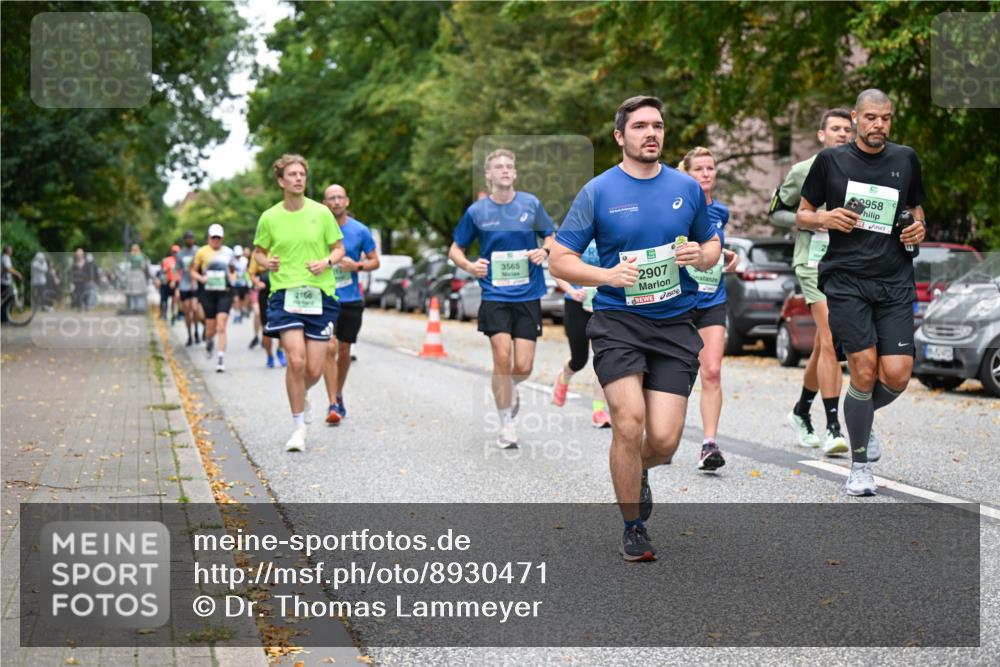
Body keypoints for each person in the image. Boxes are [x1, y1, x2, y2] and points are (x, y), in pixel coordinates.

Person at [550, 95, 720, 561]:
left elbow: (712, 243)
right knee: (628, 423)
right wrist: (605, 276)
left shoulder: (686, 186)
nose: (652, 133)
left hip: (673, 323)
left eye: (658, 125)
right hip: (617, 322)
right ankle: (633, 525)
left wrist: (701, 256)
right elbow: (560, 259)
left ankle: (636, 470)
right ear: (619, 136)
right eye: (641, 125)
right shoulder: (598, 192)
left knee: (662, 442)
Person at [797, 89, 927, 496]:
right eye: (871, 117)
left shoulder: (905, 159)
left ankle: (861, 418)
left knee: (898, 374)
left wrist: (919, 227)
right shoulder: (831, 161)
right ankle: (859, 466)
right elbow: (802, 212)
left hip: (893, 278)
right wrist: (825, 217)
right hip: (847, 279)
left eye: (886, 118)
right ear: (855, 117)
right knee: (865, 368)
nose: (878, 126)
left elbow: (917, 210)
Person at [448, 148, 556, 449]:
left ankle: (509, 389)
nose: (506, 170)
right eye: (500, 167)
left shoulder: (530, 204)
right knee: (503, 358)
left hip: (528, 294)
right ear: (489, 175)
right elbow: (455, 249)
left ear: (515, 173)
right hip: (494, 294)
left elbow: (551, 235)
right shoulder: (477, 212)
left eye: (510, 166)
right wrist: (470, 266)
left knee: (522, 367)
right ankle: (506, 423)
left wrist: (543, 251)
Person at [771, 108, 852, 456]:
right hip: (812, 261)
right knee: (832, 338)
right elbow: (776, 212)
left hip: (848, 264)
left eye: (847, 129)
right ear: (822, 135)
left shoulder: (860, 170)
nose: (842, 134)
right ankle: (834, 426)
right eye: (835, 128)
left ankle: (801, 411)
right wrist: (813, 219)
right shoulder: (803, 171)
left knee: (823, 344)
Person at [252, 154, 344, 453]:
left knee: (314, 369)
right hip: (285, 294)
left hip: (319, 295)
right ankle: (298, 428)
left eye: (301, 174)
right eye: (291, 174)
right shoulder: (269, 217)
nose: (298, 178)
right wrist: (268, 262)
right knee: (296, 360)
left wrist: (326, 261)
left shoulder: (321, 213)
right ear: (281, 181)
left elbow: (339, 249)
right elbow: (258, 253)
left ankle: (301, 392)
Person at [678, 147, 740, 471]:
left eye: (710, 168)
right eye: (698, 168)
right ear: (686, 173)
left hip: (712, 299)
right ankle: (661, 431)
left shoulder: (721, 212)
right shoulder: (675, 208)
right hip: (680, 301)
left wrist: (724, 253)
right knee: (677, 375)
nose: (706, 173)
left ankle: (709, 444)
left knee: (712, 371)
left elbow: (709, 242)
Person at [321, 184, 380, 424]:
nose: (335, 202)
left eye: (339, 197)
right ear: (325, 204)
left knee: (344, 351)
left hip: (351, 299)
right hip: (325, 298)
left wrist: (357, 266)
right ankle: (332, 402)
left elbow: (375, 261)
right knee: (329, 347)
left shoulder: (360, 231)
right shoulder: (317, 230)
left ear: (347, 201)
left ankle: (338, 392)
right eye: (331, 198)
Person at [550, 240, 612, 428]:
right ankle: (565, 376)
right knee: (580, 359)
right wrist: (572, 291)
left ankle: (598, 411)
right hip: (576, 304)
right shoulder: (574, 235)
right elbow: (556, 270)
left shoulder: (610, 229)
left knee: (603, 359)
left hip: (603, 304)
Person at [190, 224, 239, 373]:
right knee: (210, 328)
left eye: (218, 237)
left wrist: (232, 278)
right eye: (213, 237)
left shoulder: (228, 253)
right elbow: (192, 271)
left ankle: (220, 358)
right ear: (208, 238)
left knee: (221, 325)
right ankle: (209, 341)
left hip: (224, 291)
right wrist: (201, 278)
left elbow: (234, 270)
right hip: (208, 292)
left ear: (222, 238)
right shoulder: (202, 252)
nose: (216, 240)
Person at [249, 255, 286, 368]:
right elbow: (252, 274)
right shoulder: (259, 252)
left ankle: (280, 350)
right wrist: (257, 283)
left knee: (285, 324)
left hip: (283, 288)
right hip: (265, 292)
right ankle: (269, 355)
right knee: (266, 326)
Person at [176, 231, 204, 346]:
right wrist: (176, 285)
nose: (189, 240)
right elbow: (178, 270)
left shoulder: (198, 251)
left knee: (195, 309)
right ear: (184, 240)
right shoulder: (180, 254)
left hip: (196, 285)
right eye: (187, 238)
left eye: (191, 238)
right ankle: (190, 335)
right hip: (184, 285)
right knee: (187, 311)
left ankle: (197, 331)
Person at [1, 246, 23, 321]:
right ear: (8, 251)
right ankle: (5, 318)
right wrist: (17, 273)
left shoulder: (3, 257)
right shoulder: (6, 258)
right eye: (11, 250)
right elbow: (8, 268)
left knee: (6, 299)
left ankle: (5, 317)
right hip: (5, 282)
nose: (12, 252)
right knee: (8, 299)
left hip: (4, 281)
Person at [125, 244, 149, 313]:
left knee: (132, 291)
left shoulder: (131, 256)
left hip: (132, 273)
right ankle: (139, 307)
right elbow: (142, 266)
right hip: (139, 273)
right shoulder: (140, 256)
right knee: (140, 291)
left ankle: (132, 307)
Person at [159, 245, 180, 321]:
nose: (175, 253)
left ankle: (174, 314)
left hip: (177, 282)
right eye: (174, 252)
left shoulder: (180, 260)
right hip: (167, 282)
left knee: (175, 299)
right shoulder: (167, 260)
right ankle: (163, 314)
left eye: (177, 252)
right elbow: (163, 271)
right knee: (164, 299)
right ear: (171, 252)